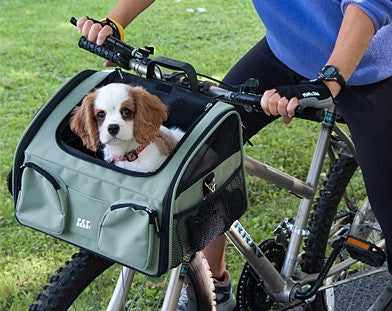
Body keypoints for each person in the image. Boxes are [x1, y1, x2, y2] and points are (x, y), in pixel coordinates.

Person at [77, 1, 392, 310]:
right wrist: (114, 22)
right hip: (288, 49)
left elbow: (371, 4)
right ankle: (215, 286)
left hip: (367, 66)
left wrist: (329, 81)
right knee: (200, 155)